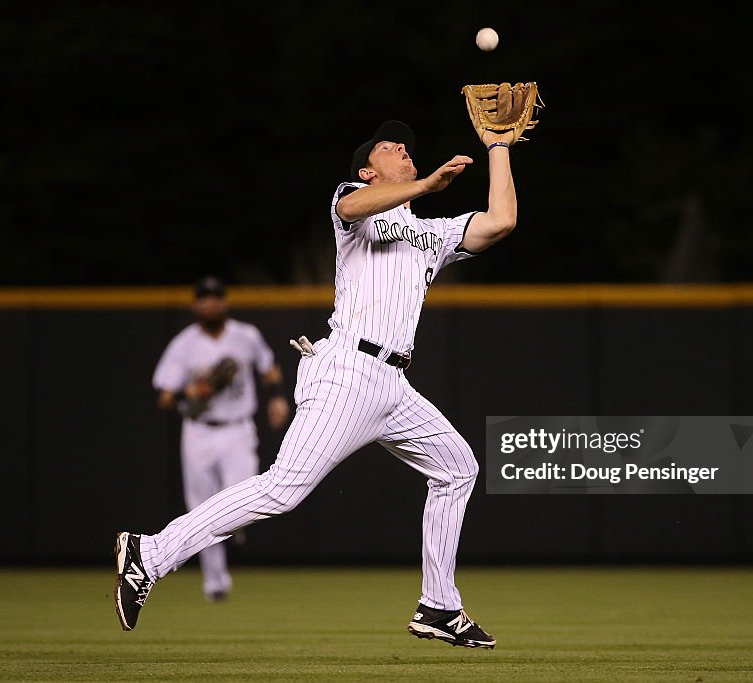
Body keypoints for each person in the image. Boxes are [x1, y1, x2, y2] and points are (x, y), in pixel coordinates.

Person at [115, 118, 519, 649]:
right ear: (368, 170)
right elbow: (353, 209)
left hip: (393, 384)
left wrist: (498, 147)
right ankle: (151, 553)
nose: (402, 148)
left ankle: (439, 604)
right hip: (348, 371)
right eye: (389, 147)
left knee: (457, 468)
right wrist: (424, 185)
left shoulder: (432, 234)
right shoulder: (353, 201)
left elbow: (501, 222)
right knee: (283, 489)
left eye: (406, 147)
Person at [151, 275, 290, 601]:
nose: (211, 303)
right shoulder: (184, 345)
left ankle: (235, 525)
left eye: (216, 297)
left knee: (243, 492)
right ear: (196, 305)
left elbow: (269, 368)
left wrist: (277, 397)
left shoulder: (246, 336)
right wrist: (191, 391)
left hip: (238, 428)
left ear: (224, 302)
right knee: (200, 508)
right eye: (204, 298)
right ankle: (215, 583)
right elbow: (164, 398)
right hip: (199, 429)